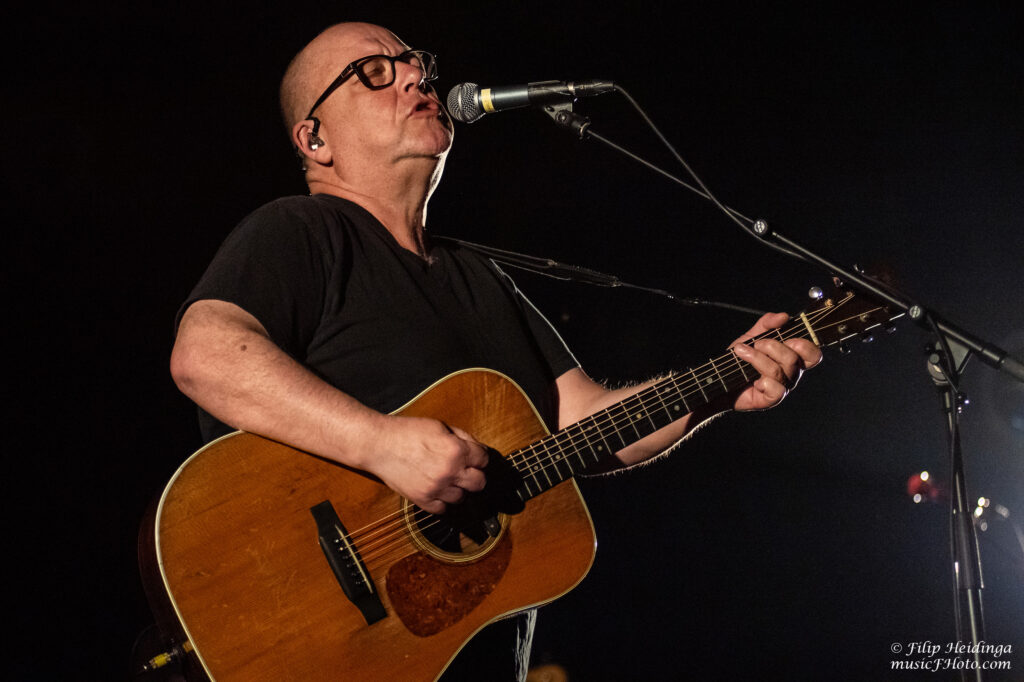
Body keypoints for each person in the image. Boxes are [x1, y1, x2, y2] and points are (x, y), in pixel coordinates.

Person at [169, 22, 822, 682]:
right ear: (316, 140)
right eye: (375, 72)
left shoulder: (479, 277)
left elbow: (581, 420)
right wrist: (381, 445)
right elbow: (207, 354)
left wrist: (717, 387)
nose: (415, 76)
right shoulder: (300, 230)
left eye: (414, 63)